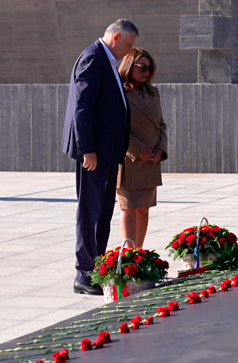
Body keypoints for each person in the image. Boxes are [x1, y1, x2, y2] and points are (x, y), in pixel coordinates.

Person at [62, 19, 137, 295]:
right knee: (90, 211)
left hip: (106, 152)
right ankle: (84, 274)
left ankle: (98, 267)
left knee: (103, 212)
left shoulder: (107, 60)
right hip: (93, 153)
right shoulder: (93, 58)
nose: (130, 52)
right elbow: (82, 108)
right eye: (128, 45)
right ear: (116, 37)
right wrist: (87, 150)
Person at [115, 48, 167, 249]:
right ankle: (129, 255)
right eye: (142, 67)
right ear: (129, 67)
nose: (147, 71)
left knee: (144, 209)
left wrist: (160, 149)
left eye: (150, 67)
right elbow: (117, 127)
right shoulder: (119, 92)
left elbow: (161, 123)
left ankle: (139, 252)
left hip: (151, 160)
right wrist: (138, 150)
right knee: (129, 208)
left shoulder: (152, 92)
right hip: (130, 160)